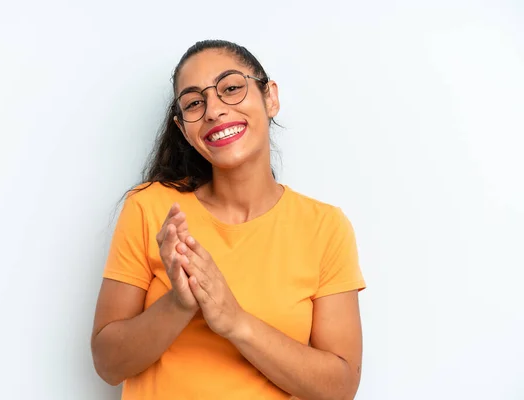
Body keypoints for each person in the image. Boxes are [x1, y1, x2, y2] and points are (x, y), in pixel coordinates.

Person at [91, 39, 366, 400]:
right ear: (183, 128)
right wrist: (179, 303)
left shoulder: (325, 227)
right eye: (194, 103)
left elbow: (340, 387)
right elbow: (108, 365)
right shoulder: (150, 208)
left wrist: (235, 321)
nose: (213, 111)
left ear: (270, 97)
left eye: (231, 88)